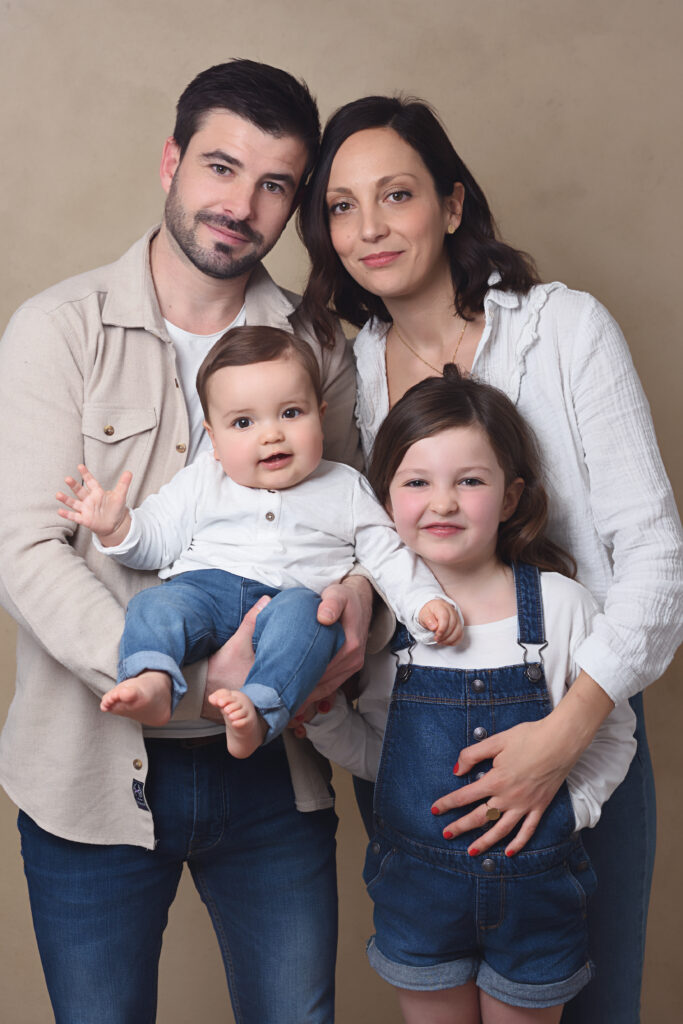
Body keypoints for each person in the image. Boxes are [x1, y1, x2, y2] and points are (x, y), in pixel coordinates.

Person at [0, 61, 376, 1024]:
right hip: (88, 773)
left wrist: (350, 613)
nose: (240, 205)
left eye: (274, 184)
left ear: (293, 206)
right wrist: (182, 672)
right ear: (171, 161)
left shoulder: (317, 346)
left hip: (272, 778)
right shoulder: (57, 330)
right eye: (219, 166)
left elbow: (342, 532)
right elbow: (27, 551)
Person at [298, 95, 683, 1023]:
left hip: (578, 717)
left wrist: (563, 739)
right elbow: (347, 536)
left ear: (454, 205)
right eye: (341, 207)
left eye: (396, 194)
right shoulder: (346, 375)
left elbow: (655, 557)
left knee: (591, 1002)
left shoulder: (564, 329)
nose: (369, 228)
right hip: (414, 741)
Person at [304, 368, 637, 1023]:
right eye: (417, 482)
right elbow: (382, 756)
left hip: (537, 901)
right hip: (417, 898)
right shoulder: (383, 626)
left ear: (511, 496)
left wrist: (572, 809)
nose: (443, 502)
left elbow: (610, 731)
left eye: (470, 481)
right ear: (385, 500)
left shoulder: (562, 606)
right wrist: (321, 721)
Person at [56, 326, 461, 758]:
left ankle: (260, 709)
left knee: (310, 623)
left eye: (291, 413)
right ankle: (153, 677)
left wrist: (423, 603)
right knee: (155, 606)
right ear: (213, 440)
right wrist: (116, 527)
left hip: (292, 602)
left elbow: (389, 555)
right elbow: (154, 541)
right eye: (244, 422)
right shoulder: (200, 480)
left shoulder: (344, 487)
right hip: (203, 594)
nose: (271, 435)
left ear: (320, 415)